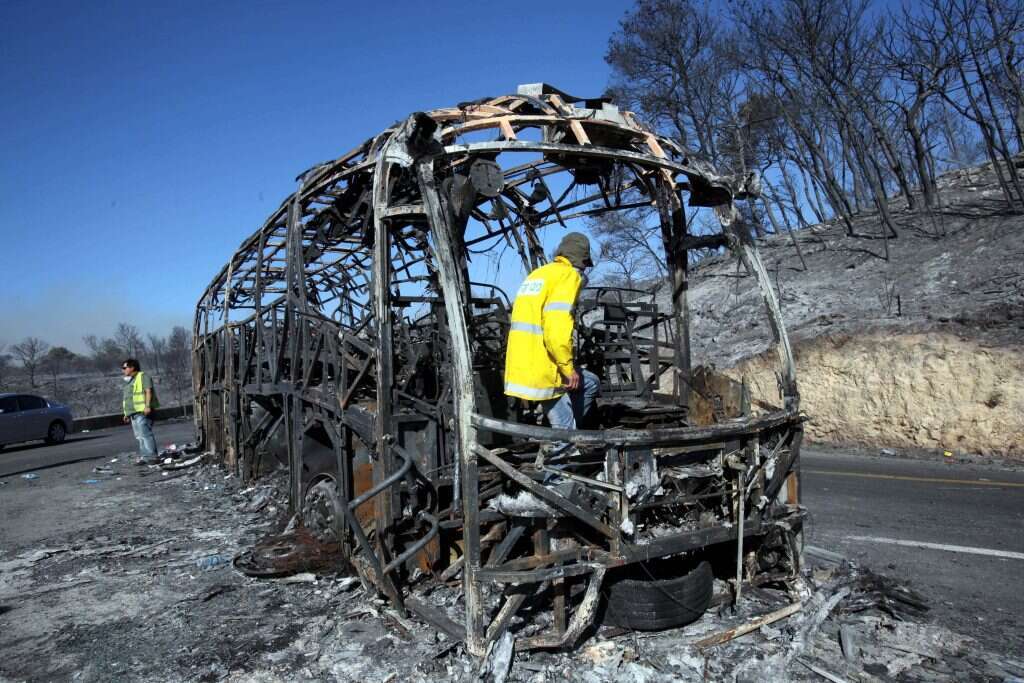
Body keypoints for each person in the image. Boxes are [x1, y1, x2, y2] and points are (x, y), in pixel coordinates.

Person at [504, 232, 600, 452]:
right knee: (565, 435)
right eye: (585, 266)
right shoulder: (567, 276)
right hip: (544, 367)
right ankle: (558, 468)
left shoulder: (540, 274)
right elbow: (556, 331)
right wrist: (567, 368)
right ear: (582, 261)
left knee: (590, 382)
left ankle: (561, 431)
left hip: (522, 365)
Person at [121, 358, 159, 462]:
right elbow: (127, 398)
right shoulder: (129, 381)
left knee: (145, 435)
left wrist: (147, 406)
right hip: (133, 413)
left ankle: (152, 457)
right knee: (139, 437)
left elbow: (148, 391)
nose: (123, 370)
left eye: (124, 368)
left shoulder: (143, 376)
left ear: (132, 367)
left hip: (142, 412)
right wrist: (126, 414)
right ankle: (145, 457)